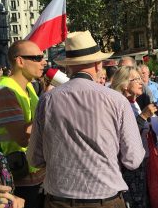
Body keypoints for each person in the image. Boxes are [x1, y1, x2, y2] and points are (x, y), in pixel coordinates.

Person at [27, 31, 145, 208]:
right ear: (98, 65)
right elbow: (133, 159)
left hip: (59, 200)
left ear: (69, 67)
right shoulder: (116, 100)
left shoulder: (47, 100)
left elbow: (34, 159)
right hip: (105, 199)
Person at [0, 40, 47, 208]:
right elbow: (22, 138)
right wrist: (49, 110)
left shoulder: (28, 89)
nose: (43, 62)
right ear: (20, 61)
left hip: (37, 176)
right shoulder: (6, 92)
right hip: (20, 181)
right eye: (37, 58)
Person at [111, 66, 157, 208]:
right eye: (135, 79)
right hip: (128, 167)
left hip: (141, 162)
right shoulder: (119, 104)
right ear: (124, 85)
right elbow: (125, 136)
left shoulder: (133, 102)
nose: (141, 82)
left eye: (140, 78)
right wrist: (143, 116)